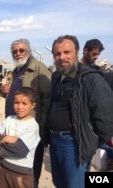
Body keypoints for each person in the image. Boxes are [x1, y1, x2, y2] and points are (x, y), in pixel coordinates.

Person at [43, 35, 113, 188]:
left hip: (74, 143)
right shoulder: (56, 76)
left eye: (67, 52)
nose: (62, 57)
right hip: (54, 141)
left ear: (77, 52)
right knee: (59, 182)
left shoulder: (90, 77)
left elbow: (106, 117)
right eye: (57, 54)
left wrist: (91, 142)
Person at [1, 38, 51, 187]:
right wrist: (6, 92)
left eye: (21, 50)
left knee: (31, 169)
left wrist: (42, 128)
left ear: (28, 51)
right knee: (16, 166)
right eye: (14, 51)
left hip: (31, 130)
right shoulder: (16, 71)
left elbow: (48, 100)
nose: (18, 53)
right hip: (15, 127)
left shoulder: (39, 68)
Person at [0, 87, 40, 188]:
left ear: (33, 105)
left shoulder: (32, 126)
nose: (19, 107)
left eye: (24, 103)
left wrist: (1, 143)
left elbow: (20, 150)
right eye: (16, 102)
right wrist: (6, 138)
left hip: (21, 175)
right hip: (4, 169)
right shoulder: (9, 119)